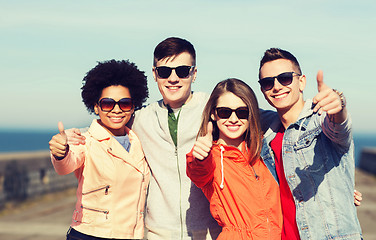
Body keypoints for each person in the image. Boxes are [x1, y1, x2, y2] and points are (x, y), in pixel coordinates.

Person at [65, 37, 221, 240]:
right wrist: (74, 136)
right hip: (159, 234)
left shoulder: (216, 107)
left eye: (182, 71)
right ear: (155, 74)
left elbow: (254, 116)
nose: (173, 78)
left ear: (194, 73)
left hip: (209, 233)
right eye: (165, 71)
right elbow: (111, 122)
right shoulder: (141, 117)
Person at [257, 48, 362, 240]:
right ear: (262, 89)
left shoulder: (321, 121)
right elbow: (234, 104)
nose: (277, 86)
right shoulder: (268, 131)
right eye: (267, 82)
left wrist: (338, 104)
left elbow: (340, 128)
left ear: (302, 81)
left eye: (285, 78)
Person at [49, 60, 150, 240]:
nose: (116, 110)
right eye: (107, 103)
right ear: (96, 107)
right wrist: (60, 153)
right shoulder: (84, 140)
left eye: (125, 103)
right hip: (91, 234)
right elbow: (67, 164)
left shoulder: (138, 141)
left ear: (133, 106)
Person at [186, 78, 282, 239]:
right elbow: (198, 172)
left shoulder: (264, 152)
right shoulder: (211, 157)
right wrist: (200, 157)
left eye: (242, 112)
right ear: (213, 114)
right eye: (224, 112)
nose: (233, 119)